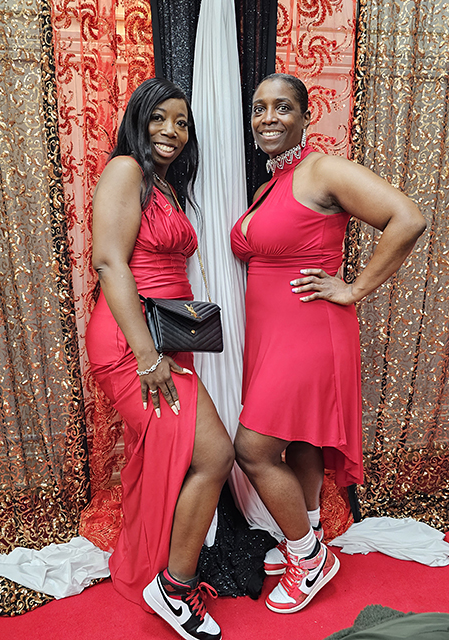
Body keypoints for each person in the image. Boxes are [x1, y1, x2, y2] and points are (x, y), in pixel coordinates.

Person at [230, 73, 426, 614]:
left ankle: (308, 558)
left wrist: (354, 289)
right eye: (259, 108)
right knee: (300, 439)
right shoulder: (272, 183)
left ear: (305, 116)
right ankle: (311, 531)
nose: (268, 118)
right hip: (274, 334)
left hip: (311, 330)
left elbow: (408, 218)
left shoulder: (322, 170)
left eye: (282, 107)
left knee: (253, 448)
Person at [86, 77, 234, 640]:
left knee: (166, 456)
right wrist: (148, 357)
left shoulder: (165, 185)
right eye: (159, 118)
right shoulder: (126, 170)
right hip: (133, 343)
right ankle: (173, 587)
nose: (172, 130)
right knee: (215, 454)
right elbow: (109, 262)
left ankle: (155, 568)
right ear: (138, 120)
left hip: (166, 339)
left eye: (182, 122)